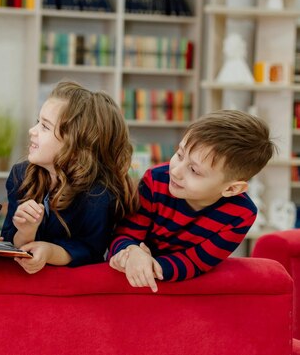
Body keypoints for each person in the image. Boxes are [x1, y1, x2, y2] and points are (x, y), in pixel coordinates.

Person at [108, 110, 276, 292]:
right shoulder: (156, 180)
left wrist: (152, 265)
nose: (175, 171)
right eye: (179, 154)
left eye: (194, 171)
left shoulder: (241, 214)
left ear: (231, 189)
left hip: (169, 280)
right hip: (127, 272)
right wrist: (131, 252)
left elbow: (196, 262)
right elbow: (124, 234)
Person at [1, 81, 138, 274]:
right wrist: (26, 231)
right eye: (37, 121)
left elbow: (90, 251)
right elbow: (9, 240)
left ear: (77, 146)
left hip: (70, 287)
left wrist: (49, 252)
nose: (32, 131)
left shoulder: (98, 195)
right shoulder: (20, 175)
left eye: (45, 127)